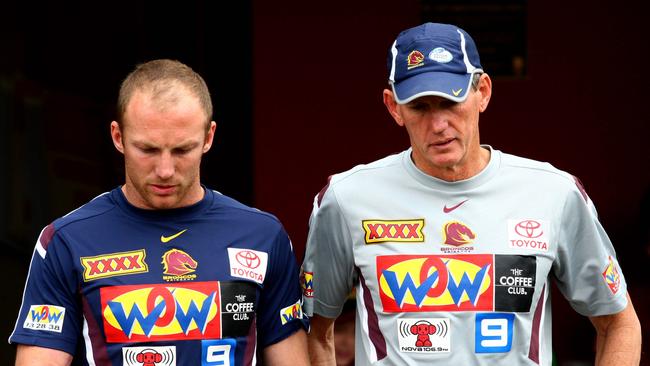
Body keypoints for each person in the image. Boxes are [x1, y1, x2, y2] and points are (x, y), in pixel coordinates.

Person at [302, 23, 641, 365]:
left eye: (451, 101)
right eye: (420, 107)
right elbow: (315, 333)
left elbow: (619, 322)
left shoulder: (554, 193)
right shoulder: (346, 198)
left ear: (483, 92)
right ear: (394, 107)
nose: (438, 124)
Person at [9, 59, 309, 365]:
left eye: (181, 150)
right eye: (148, 150)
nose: (165, 170)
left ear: (208, 137)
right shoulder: (66, 241)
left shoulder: (262, 236)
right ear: (118, 136)